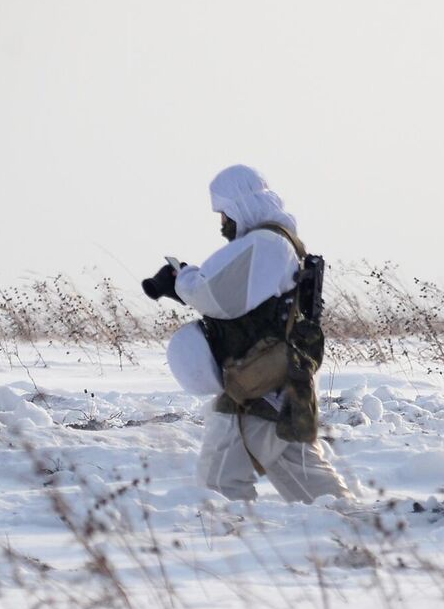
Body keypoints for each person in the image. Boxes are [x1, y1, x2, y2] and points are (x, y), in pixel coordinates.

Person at [145, 164, 351, 503]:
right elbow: (236, 296)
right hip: (282, 382)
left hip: (255, 387)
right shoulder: (279, 244)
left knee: (219, 485)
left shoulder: (265, 244)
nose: (222, 224)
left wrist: (180, 280)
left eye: (224, 214)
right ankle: (361, 533)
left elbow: (215, 295)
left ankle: (226, 547)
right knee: (318, 496)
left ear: (240, 206)